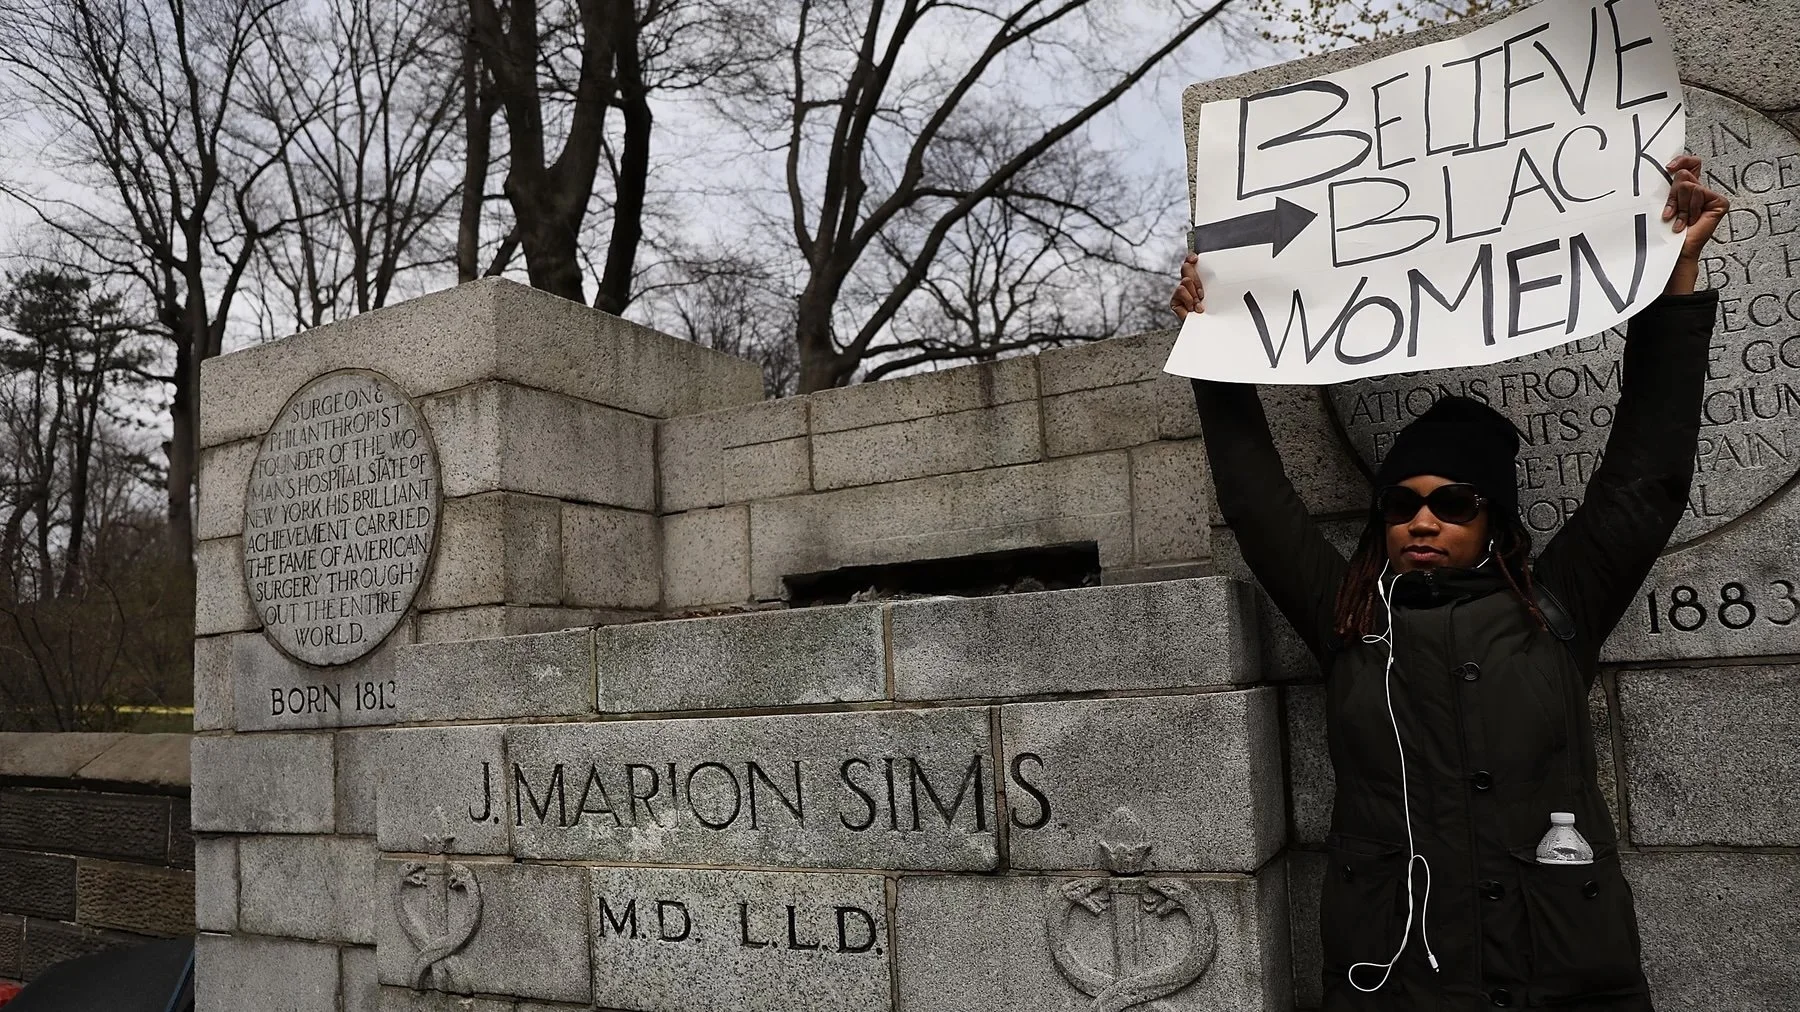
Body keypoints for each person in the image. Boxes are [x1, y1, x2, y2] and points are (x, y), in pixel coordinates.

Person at [1169, 155, 1730, 1011]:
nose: (1422, 521)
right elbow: (1255, 502)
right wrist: (1215, 345)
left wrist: (1675, 281)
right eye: (1402, 504)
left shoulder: (1556, 607)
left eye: (1452, 503)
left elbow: (1644, 478)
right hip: (1396, 976)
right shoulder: (1350, 618)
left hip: (1559, 970)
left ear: (1492, 521)